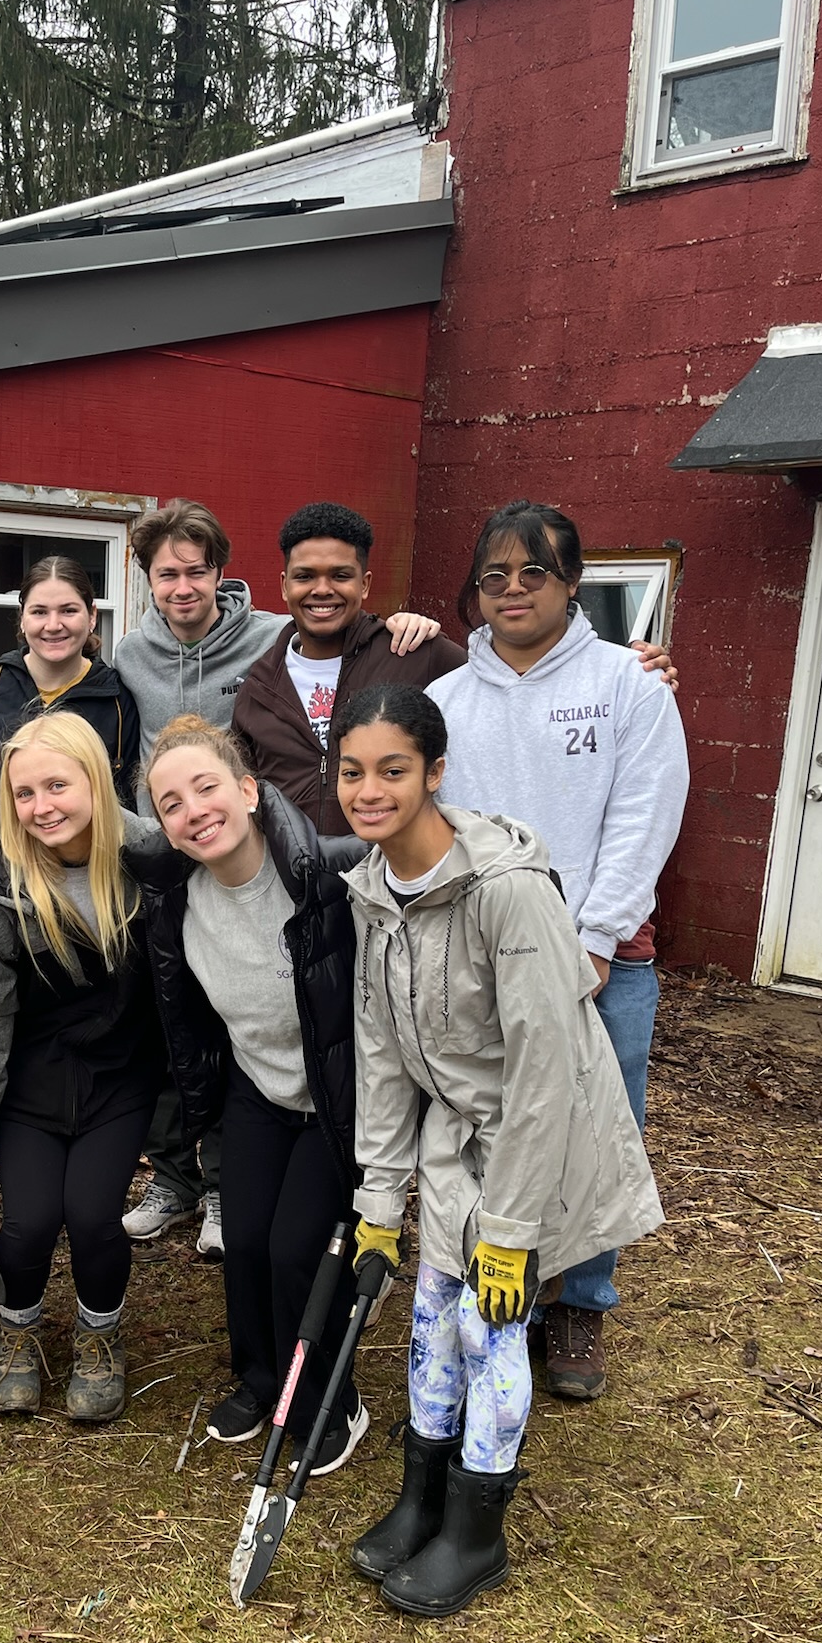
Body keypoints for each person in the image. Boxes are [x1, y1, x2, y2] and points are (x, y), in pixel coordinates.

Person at [337, 684, 663, 1615]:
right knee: (433, 1316)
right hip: (454, 1130)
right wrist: (376, 1203)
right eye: (353, 771)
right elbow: (383, 1056)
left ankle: (478, 1531)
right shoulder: (371, 891)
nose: (370, 789)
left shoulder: (507, 893)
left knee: (490, 1321)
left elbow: (545, 1072)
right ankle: (423, 1496)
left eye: (393, 770)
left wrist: (513, 1230)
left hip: (536, 1138)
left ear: (434, 773)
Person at [116, 500, 443, 1257]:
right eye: (167, 573)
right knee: (194, 1026)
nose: (183, 585)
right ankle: (187, 1178)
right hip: (191, 868)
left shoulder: (271, 637)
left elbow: (366, 644)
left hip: (304, 868)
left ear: (223, 574)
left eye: (197, 570)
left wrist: (411, 625)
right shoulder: (131, 654)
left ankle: (314, 1195)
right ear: (148, 581)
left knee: (324, 1024)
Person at [432, 500, 688, 1401]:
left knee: (596, 1125)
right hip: (482, 956)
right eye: (493, 576)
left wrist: (595, 935)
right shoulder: (446, 701)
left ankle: (583, 1298)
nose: (512, 591)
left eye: (533, 573)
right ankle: (514, 1286)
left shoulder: (628, 685)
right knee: (498, 1126)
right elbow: (436, 829)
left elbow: (645, 816)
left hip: (599, 955)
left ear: (572, 582)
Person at [131, 715, 371, 1475]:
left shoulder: (328, 874)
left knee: (296, 1248)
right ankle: (261, 1377)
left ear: (247, 790)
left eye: (207, 788)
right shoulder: (175, 900)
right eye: (172, 803)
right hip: (257, 1089)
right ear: (164, 828)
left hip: (339, 1099)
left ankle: (332, 1400)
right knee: (245, 1246)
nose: (194, 810)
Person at [0, 712, 163, 1424]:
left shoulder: (154, 867)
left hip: (117, 1080)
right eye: (23, 794)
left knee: (94, 1219)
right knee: (29, 1224)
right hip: (29, 1086)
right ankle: (17, 1330)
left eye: (57, 785)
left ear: (96, 782)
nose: (41, 807)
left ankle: (100, 1337)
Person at [232, 502, 467, 835]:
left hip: (396, 878)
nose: (322, 589)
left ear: (365, 584)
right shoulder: (258, 689)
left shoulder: (415, 654)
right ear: (285, 585)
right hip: (294, 883)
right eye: (305, 576)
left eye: (340, 575)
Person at [0, 555, 140, 807]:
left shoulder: (118, 701)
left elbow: (125, 801)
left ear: (92, 616)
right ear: (22, 617)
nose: (53, 625)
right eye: (39, 612)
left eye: (68, 610)